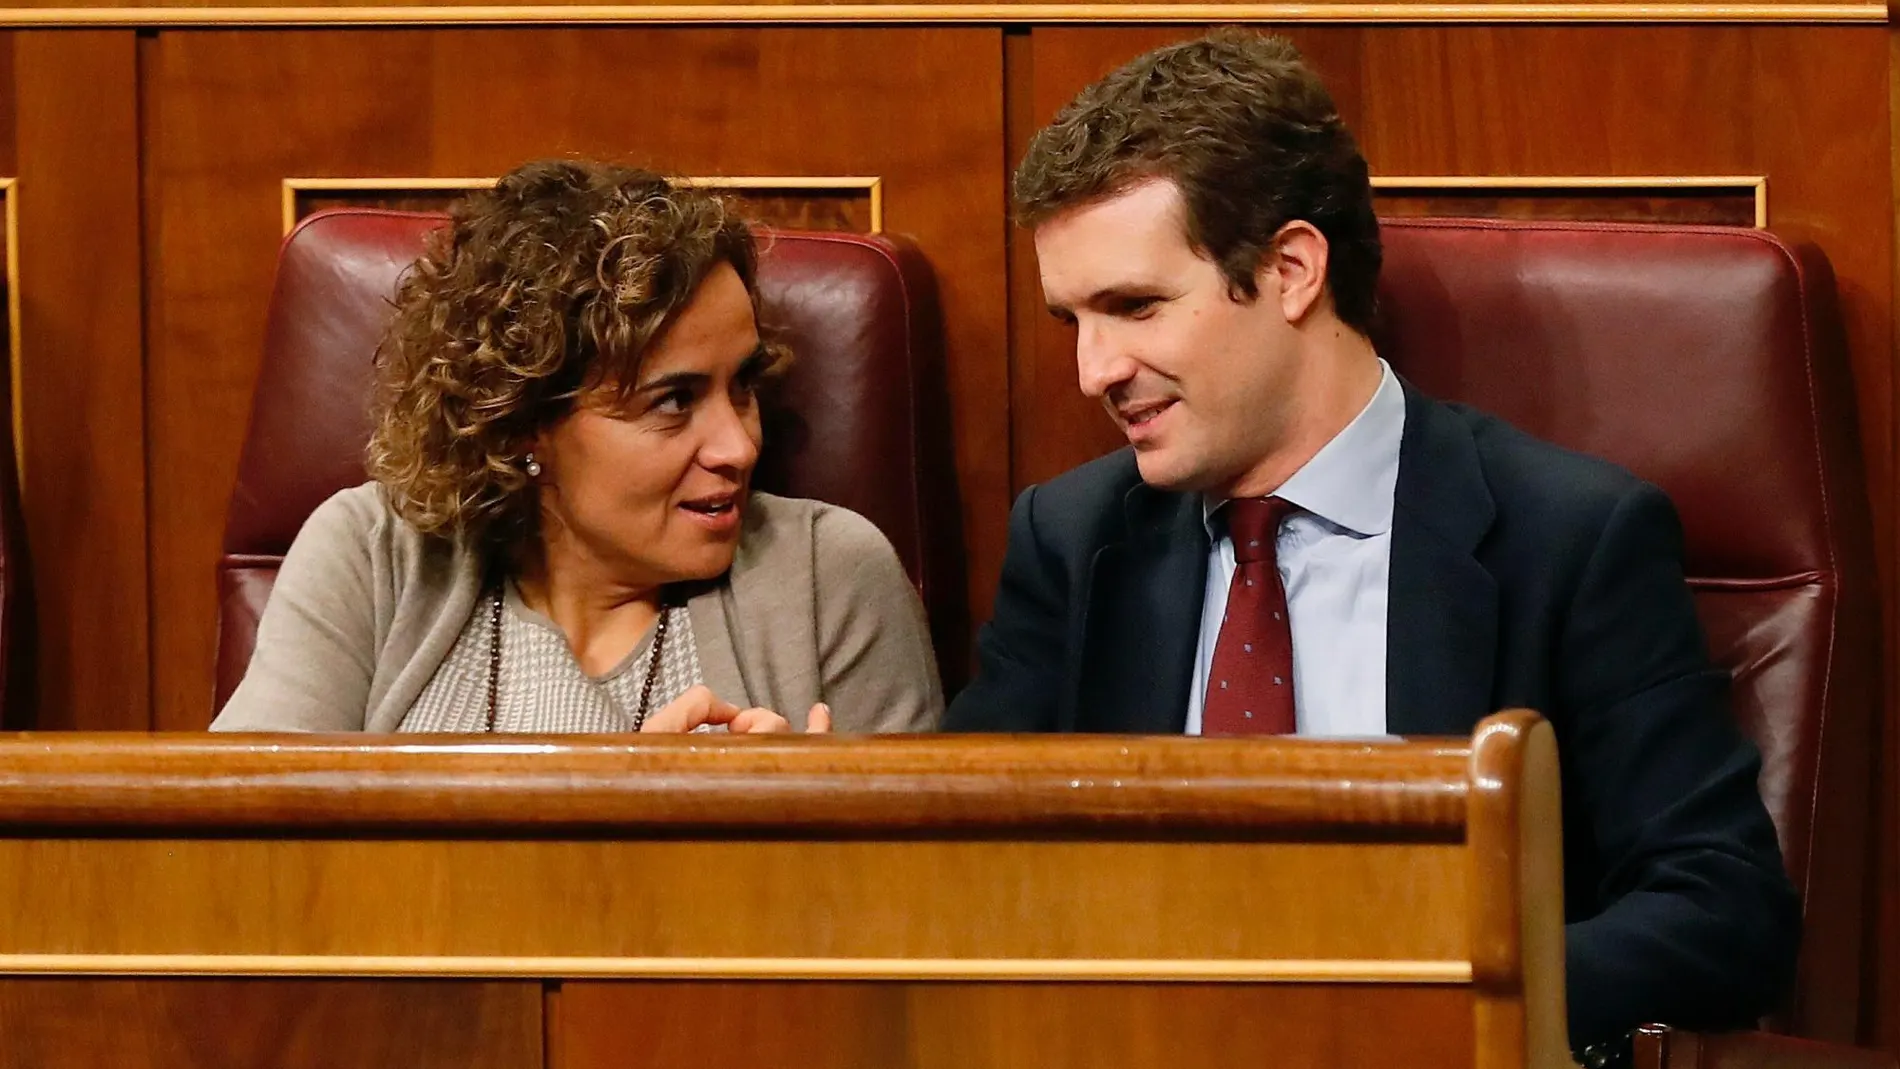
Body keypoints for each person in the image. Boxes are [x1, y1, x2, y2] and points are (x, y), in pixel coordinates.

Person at [942, 30, 1798, 1058]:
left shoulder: (1565, 537)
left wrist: (1417, 1002)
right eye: (1070, 320)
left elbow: (1722, 908)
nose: (1092, 369)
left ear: (1292, 268)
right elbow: (961, 865)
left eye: (1132, 308)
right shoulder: (1072, 540)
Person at [215, 159, 942, 735]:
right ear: (525, 421)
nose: (739, 446)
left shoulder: (830, 581)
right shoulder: (374, 555)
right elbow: (242, 872)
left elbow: (924, 907)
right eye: (674, 401)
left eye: (743, 385)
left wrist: (803, 845)